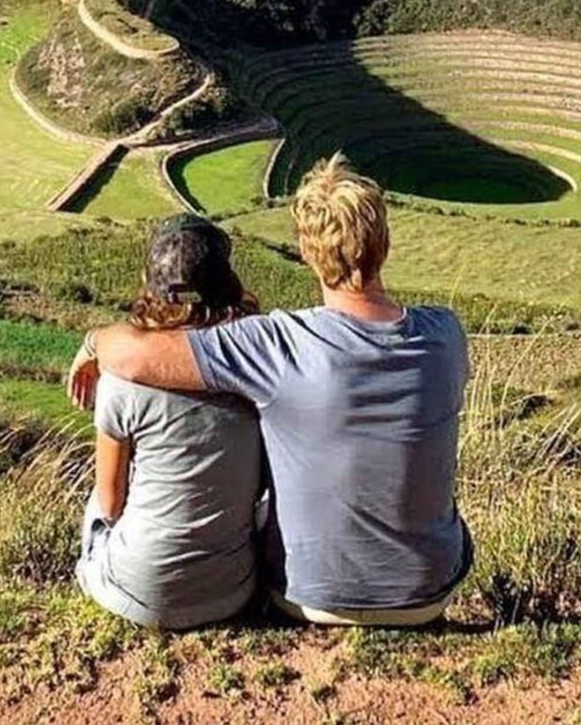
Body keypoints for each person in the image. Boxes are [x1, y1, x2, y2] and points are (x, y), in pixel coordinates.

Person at [70, 154, 471, 626]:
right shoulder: (446, 333)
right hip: (428, 595)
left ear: (306, 251)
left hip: (309, 596)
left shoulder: (278, 344)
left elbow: (135, 357)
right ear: (385, 242)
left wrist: (93, 342)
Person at [74, 214, 264, 630]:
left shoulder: (122, 380)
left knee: (96, 502)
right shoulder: (259, 369)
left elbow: (110, 503)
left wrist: (94, 343)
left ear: (149, 281)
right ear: (228, 281)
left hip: (137, 594)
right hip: (233, 590)